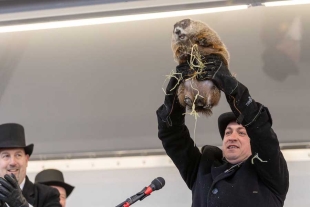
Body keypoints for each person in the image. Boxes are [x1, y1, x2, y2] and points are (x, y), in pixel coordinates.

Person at [156, 55, 289, 207]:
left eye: (241, 132)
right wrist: (176, 93)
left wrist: (232, 88)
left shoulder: (270, 173)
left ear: (254, 144)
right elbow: (172, 136)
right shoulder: (201, 169)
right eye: (227, 132)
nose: (232, 137)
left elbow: (261, 130)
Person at [0, 123, 61, 207]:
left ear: (26, 159)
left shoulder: (48, 195)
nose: (13, 162)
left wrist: (22, 205)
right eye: (6, 156)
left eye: (18, 155)